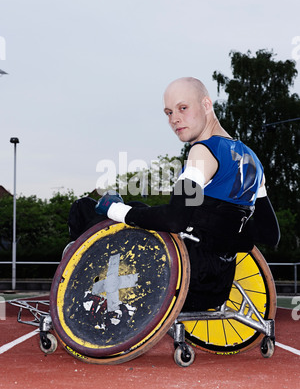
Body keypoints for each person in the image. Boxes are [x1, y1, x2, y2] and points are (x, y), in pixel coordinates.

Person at [69, 77, 280, 311]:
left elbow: (174, 219)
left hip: (179, 278)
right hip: (215, 288)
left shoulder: (203, 152)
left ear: (207, 105)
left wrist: (113, 209)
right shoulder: (252, 161)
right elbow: (269, 234)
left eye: (183, 108)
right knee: (138, 205)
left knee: (85, 208)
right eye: (168, 113)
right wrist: (222, 234)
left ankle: (78, 287)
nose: (174, 119)